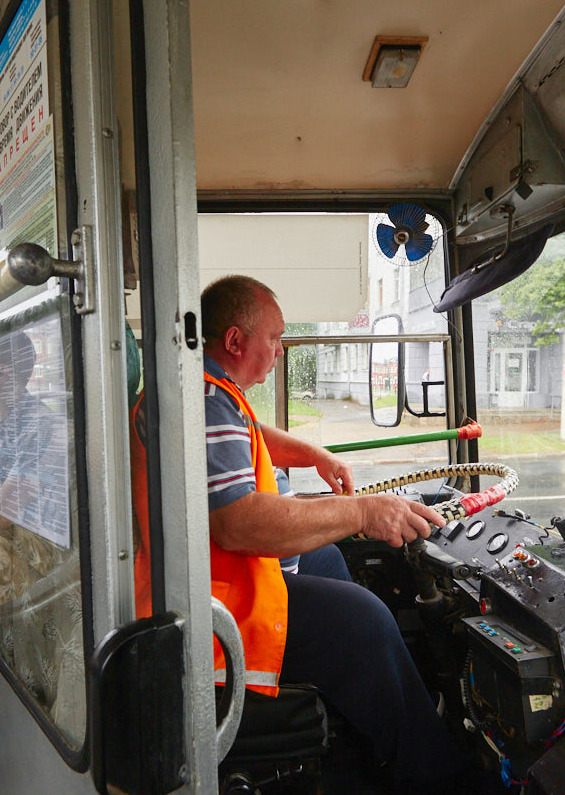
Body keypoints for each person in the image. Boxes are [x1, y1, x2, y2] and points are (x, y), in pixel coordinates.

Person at [130, 276, 461, 789]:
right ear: (236, 341)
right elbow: (239, 523)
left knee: (329, 558)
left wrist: (313, 456)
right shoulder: (204, 397)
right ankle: (435, 775)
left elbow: (251, 435)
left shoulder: (206, 388)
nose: (280, 352)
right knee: (365, 619)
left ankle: (367, 714)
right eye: (275, 339)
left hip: (211, 577)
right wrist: (361, 513)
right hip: (208, 609)